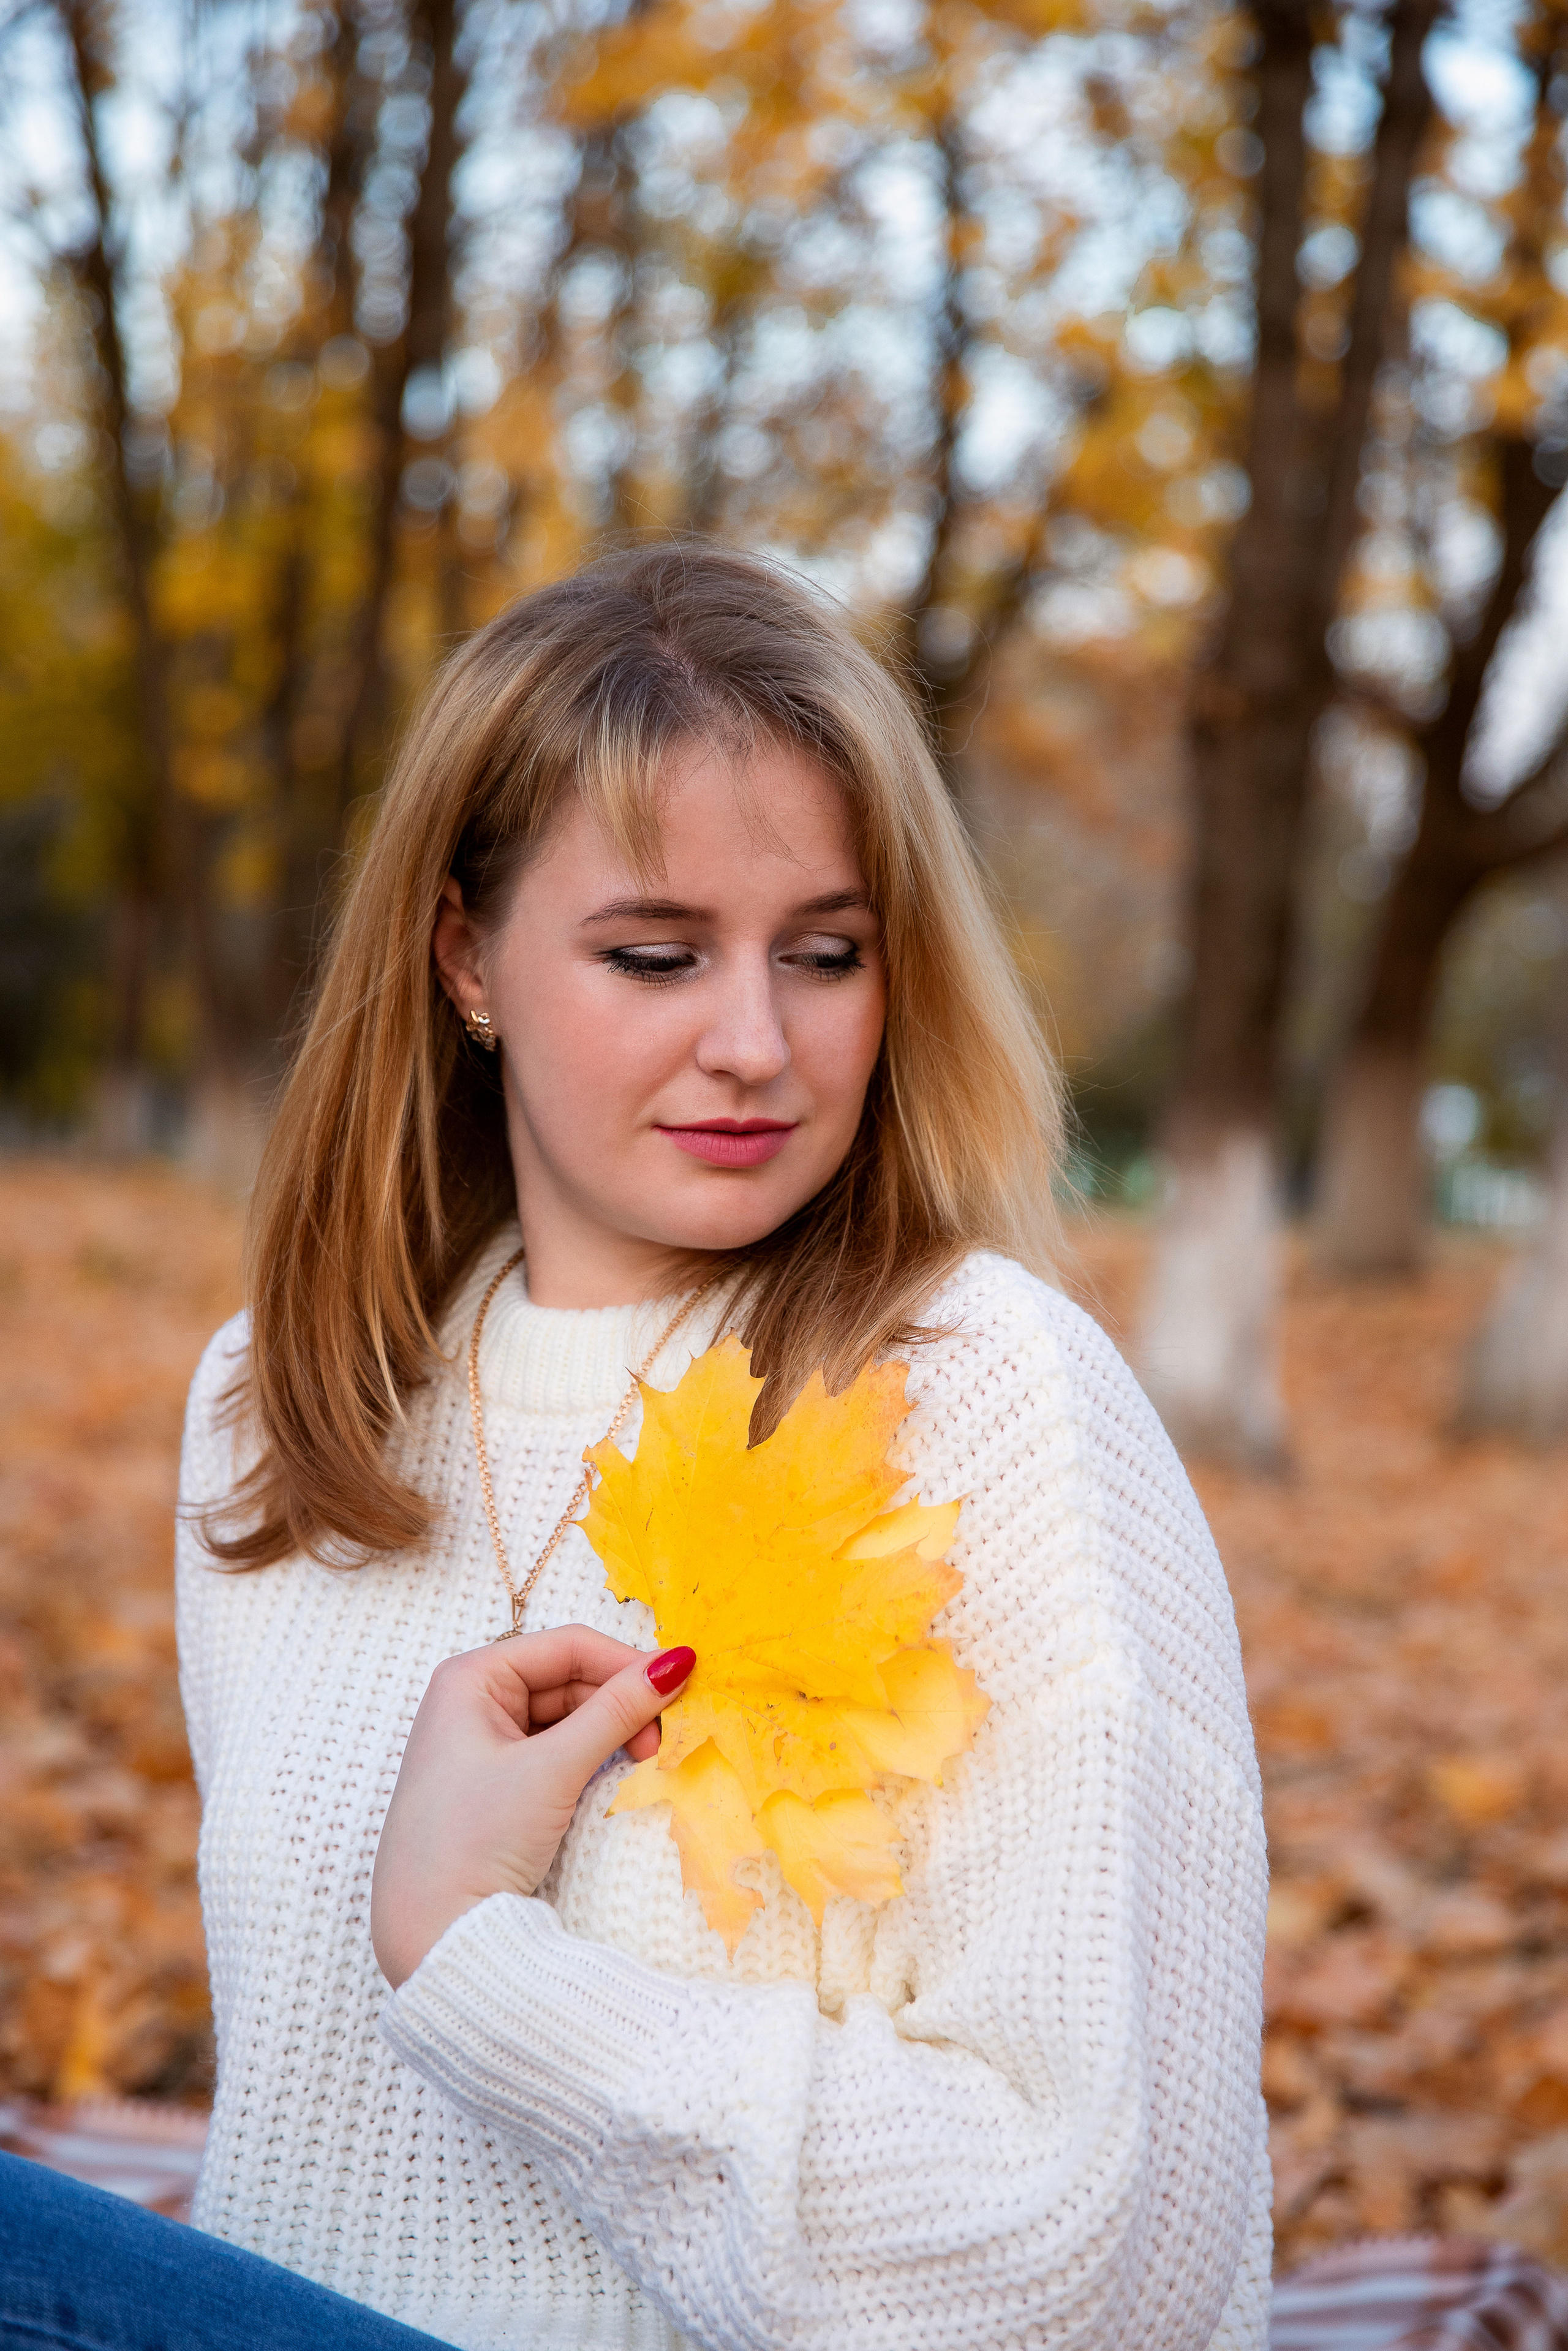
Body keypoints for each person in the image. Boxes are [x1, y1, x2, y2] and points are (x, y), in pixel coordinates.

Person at [0, 543, 1271, 2350]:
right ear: (466, 957)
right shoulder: (274, 1411)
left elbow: (1099, 2263)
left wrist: (480, 1954)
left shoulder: (983, 1390)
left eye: (825, 955)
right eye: (656, 956)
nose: (755, 1044)